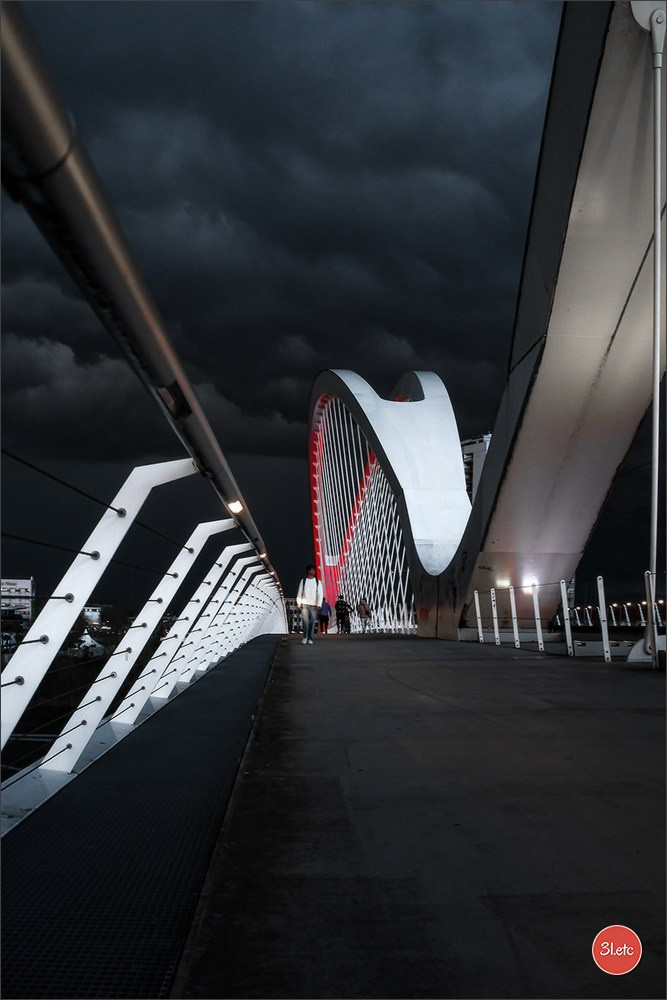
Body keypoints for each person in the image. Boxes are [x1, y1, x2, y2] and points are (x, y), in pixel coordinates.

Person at [296, 565, 323, 645]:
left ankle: (310, 638)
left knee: (312, 622)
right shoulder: (303, 581)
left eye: (314, 570)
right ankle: (305, 637)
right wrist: (299, 603)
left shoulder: (317, 582)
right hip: (304, 604)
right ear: (308, 571)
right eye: (312, 570)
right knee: (306, 622)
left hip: (314, 605)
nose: (314, 572)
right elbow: (299, 593)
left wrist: (319, 604)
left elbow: (320, 594)